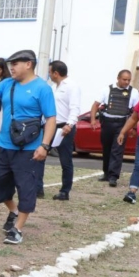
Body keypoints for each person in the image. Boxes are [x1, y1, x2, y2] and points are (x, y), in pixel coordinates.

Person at [0, 50, 56, 245]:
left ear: (29, 64)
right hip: (4, 145)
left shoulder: (42, 88)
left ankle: (18, 229)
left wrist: (45, 146)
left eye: (15, 64)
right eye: (10, 64)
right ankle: (13, 211)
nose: (11, 67)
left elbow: (50, 119)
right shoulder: (7, 84)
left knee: (26, 188)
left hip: (29, 148)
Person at [90, 69, 139, 187]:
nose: (127, 82)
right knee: (106, 149)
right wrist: (92, 120)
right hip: (107, 123)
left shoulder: (134, 92)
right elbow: (95, 105)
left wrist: (134, 128)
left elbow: (136, 112)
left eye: (129, 80)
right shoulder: (106, 89)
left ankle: (113, 177)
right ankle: (106, 173)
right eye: (124, 79)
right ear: (118, 78)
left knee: (117, 150)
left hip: (122, 124)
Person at [47, 60, 82, 201]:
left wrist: (70, 124)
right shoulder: (53, 87)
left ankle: (64, 191)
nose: (49, 75)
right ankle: (37, 188)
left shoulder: (72, 86)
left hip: (64, 127)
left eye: (50, 72)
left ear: (56, 73)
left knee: (65, 160)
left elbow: (75, 107)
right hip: (50, 125)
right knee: (39, 154)